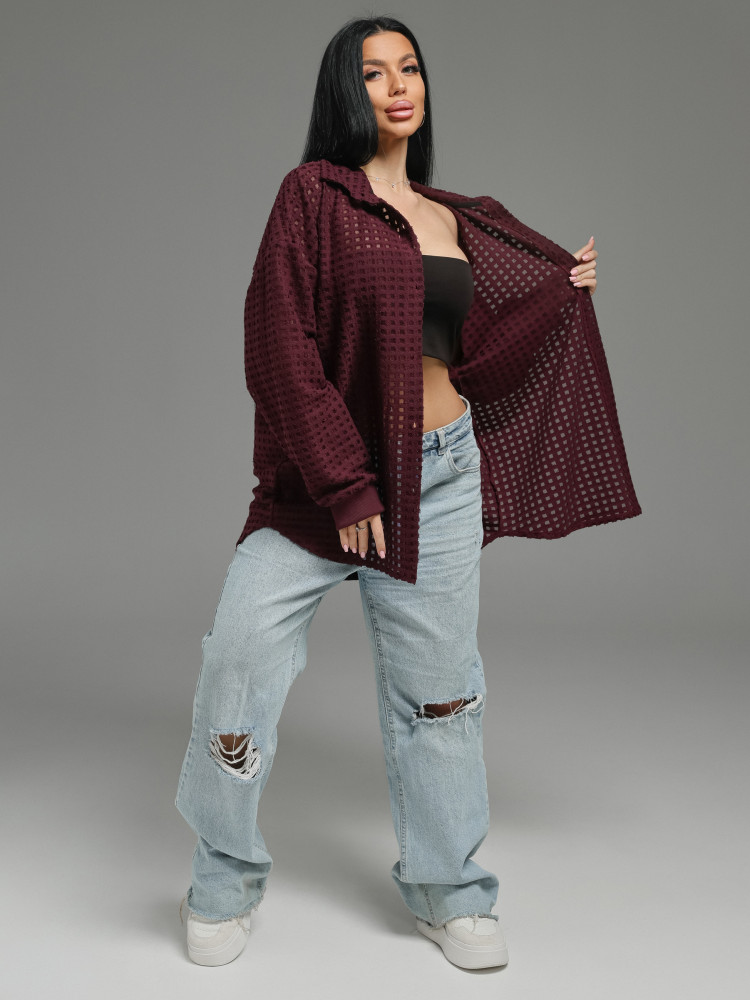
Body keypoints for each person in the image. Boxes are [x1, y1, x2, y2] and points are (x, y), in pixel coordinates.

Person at [175, 15, 640, 972]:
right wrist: (347, 486)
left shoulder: (451, 217)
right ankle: (223, 875)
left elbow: (471, 357)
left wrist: (561, 293)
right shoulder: (312, 196)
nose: (398, 85)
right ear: (346, 92)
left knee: (442, 695)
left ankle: (447, 890)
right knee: (237, 664)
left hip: (441, 474)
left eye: (410, 67)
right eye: (375, 72)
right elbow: (279, 347)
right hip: (323, 490)